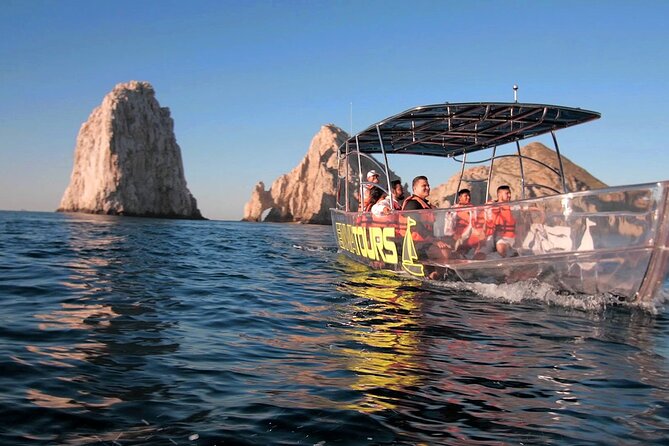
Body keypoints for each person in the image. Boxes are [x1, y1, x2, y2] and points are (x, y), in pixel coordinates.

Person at [485, 185, 517, 257]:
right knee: (499, 248)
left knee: (502, 246)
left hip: (509, 236)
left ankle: (511, 256)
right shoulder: (491, 205)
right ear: (499, 194)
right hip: (495, 236)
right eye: (507, 193)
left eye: (510, 193)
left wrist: (539, 211)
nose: (509, 195)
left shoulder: (512, 206)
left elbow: (524, 207)